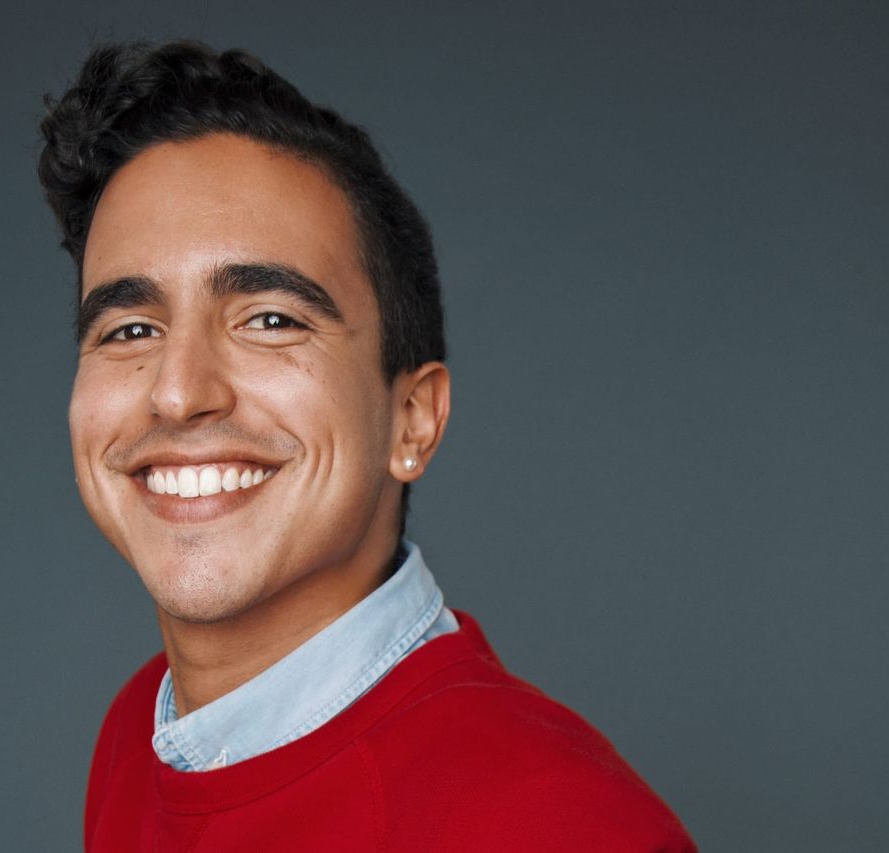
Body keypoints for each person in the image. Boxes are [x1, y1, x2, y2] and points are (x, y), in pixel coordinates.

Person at [38, 40, 696, 852]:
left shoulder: (554, 824)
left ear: (413, 418)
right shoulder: (141, 732)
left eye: (271, 319)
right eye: (130, 327)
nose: (178, 391)